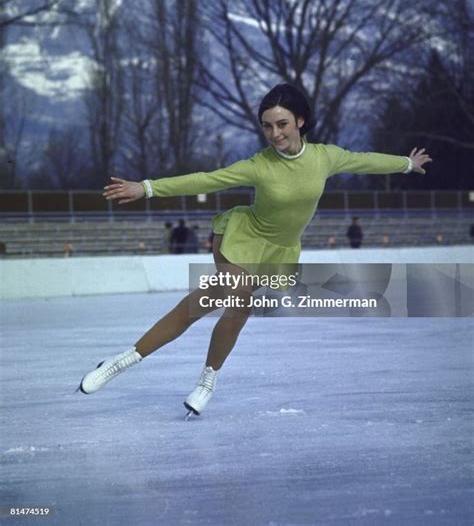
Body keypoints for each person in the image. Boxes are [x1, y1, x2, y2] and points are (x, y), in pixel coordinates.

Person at [78, 83, 432, 416]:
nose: (275, 134)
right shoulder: (260, 165)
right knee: (237, 298)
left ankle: (201, 376)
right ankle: (122, 363)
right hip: (240, 237)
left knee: (210, 308)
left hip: (277, 253)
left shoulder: (326, 158)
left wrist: (406, 163)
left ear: (300, 121)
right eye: (267, 126)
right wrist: (147, 188)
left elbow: (366, 159)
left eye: (282, 124)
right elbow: (206, 179)